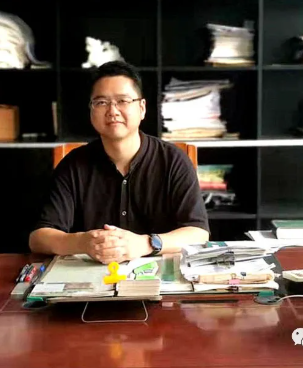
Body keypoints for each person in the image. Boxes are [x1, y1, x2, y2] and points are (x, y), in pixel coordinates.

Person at [29, 61, 210, 263]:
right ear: (91, 111)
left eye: (123, 101)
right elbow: (39, 238)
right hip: (92, 275)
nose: (113, 111)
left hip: (159, 275)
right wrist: (83, 242)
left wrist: (146, 243)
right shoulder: (73, 165)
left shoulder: (173, 160)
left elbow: (198, 233)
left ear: (142, 108)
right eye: (101, 102)